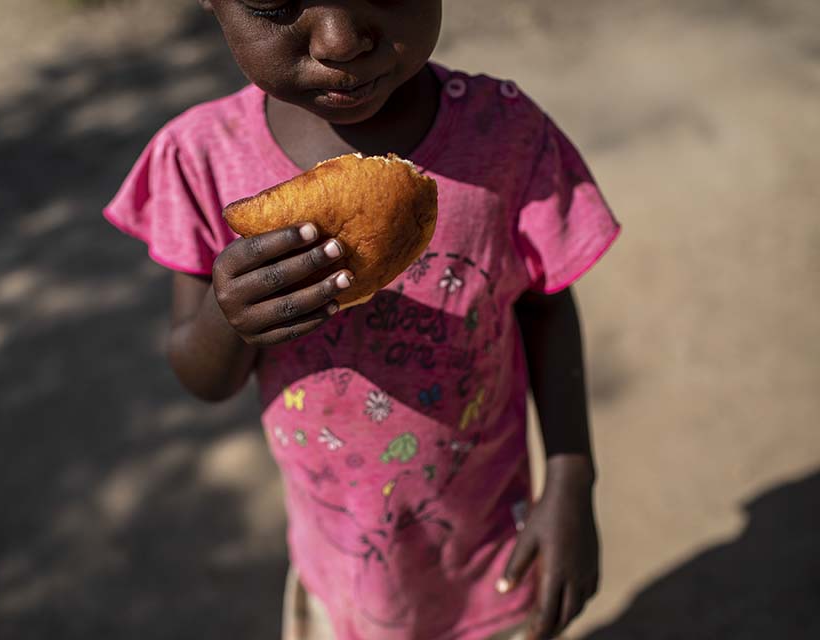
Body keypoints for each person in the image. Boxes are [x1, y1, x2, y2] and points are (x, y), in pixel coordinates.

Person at [103, 2, 620, 639]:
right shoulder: (204, 158)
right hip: (339, 566)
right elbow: (204, 378)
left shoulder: (504, 135)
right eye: (274, 2)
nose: (341, 41)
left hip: (489, 549)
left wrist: (572, 480)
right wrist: (227, 315)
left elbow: (544, 302)